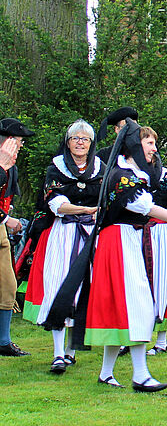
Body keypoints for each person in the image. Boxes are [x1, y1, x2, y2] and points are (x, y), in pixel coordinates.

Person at [85, 121, 167, 391]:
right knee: (140, 306)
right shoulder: (120, 175)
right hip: (118, 240)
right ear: (135, 145)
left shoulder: (140, 173)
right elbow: (148, 208)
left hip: (129, 239)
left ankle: (106, 373)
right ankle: (140, 375)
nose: (155, 149)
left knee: (129, 308)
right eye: (150, 143)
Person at [23, 119, 104, 373]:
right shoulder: (55, 169)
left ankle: (70, 351)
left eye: (85, 139)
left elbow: (107, 199)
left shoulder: (100, 169)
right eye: (75, 138)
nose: (80, 143)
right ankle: (58, 353)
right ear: (67, 142)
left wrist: (98, 212)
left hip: (91, 235)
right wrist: (87, 209)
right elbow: (55, 203)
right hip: (64, 232)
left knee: (83, 290)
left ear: (91, 144)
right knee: (60, 286)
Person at [0, 118, 34, 357]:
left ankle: (3, 341)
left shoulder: (11, 167)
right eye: (19, 141)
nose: (21, 146)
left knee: (8, 285)